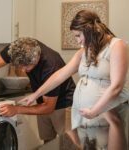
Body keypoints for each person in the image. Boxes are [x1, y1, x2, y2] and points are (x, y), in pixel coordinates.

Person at [18, 10, 129, 149]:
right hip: (83, 115)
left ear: (88, 30)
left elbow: (117, 86)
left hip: (107, 114)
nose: (77, 40)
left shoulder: (117, 46)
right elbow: (60, 75)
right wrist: (36, 95)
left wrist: (95, 110)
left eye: (78, 35)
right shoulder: (84, 51)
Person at [0, 37, 75, 143]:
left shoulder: (51, 64)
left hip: (64, 103)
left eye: (26, 66)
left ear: (36, 58)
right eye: (20, 66)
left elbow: (48, 107)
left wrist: (16, 109)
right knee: (47, 141)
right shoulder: (17, 48)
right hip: (42, 101)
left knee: (68, 144)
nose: (23, 70)